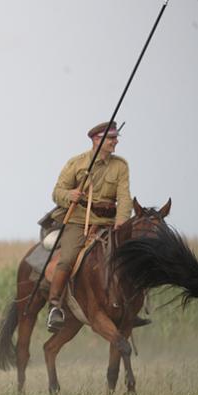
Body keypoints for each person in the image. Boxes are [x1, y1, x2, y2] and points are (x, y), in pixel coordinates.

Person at [46, 120, 132, 331]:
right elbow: (56, 192)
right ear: (97, 140)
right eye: (111, 138)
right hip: (79, 222)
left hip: (110, 223)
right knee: (66, 259)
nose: (115, 142)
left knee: (133, 257)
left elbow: (124, 197)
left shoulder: (120, 166)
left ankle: (133, 306)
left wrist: (122, 220)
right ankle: (55, 306)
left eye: (115, 138)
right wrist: (70, 195)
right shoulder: (77, 164)